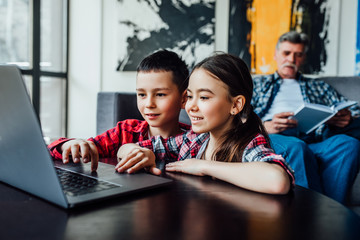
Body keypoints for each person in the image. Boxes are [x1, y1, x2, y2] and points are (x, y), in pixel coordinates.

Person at [117, 53, 295, 195]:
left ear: (235, 105)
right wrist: (140, 152)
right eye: (190, 97)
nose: (190, 106)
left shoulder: (249, 144)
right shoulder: (193, 140)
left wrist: (203, 166)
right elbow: (125, 148)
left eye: (203, 97)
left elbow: (278, 182)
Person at [251, 31, 360, 203]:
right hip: (274, 136)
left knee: (348, 145)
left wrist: (346, 116)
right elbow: (235, 118)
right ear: (276, 54)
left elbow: (351, 107)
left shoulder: (318, 86)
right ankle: (307, 217)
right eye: (287, 53)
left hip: (313, 139)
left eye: (298, 55)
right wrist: (264, 126)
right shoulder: (257, 84)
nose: (291, 60)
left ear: (303, 58)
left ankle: (332, 213)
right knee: (296, 147)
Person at [48, 49, 190, 174]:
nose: (149, 104)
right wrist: (69, 145)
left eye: (160, 94)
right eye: (141, 95)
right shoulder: (125, 132)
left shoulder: (198, 139)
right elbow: (81, 149)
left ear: (184, 99)